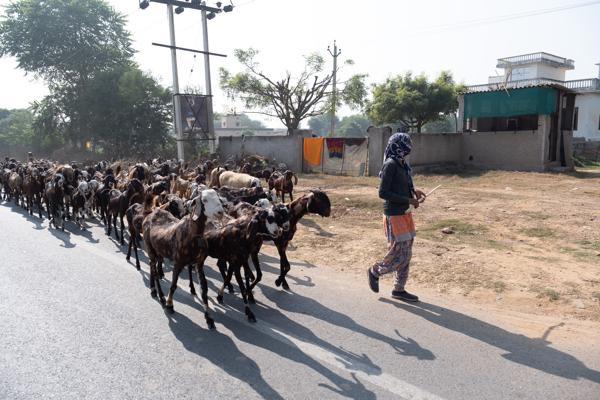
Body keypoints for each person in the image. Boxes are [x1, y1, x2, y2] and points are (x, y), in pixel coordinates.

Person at [367, 126, 426, 302]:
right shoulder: (390, 164)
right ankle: (375, 271)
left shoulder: (402, 163)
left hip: (405, 213)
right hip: (394, 214)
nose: (409, 147)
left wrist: (414, 192)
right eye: (405, 144)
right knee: (401, 253)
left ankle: (399, 289)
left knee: (406, 251)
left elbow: (402, 185)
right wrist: (408, 200)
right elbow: (383, 193)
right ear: (397, 145)